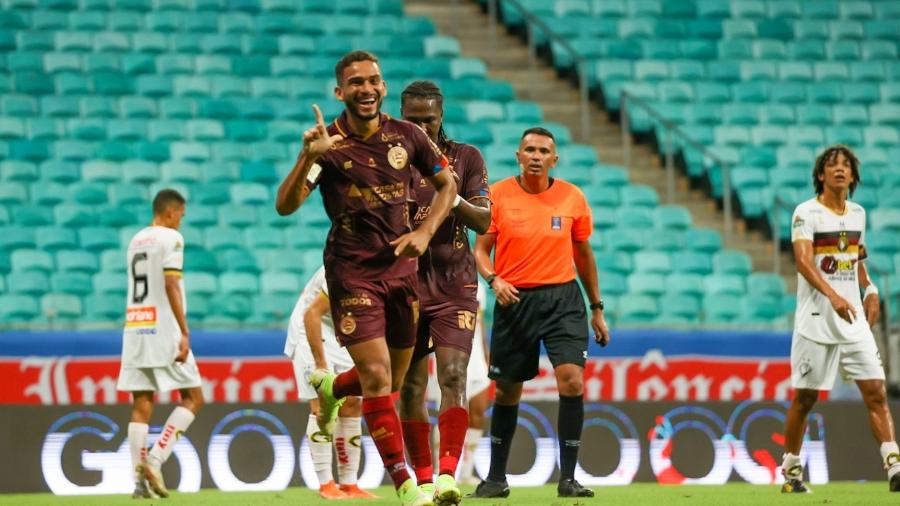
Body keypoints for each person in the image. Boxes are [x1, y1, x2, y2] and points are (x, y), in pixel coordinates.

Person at [274, 50, 457, 506]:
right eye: (356, 82)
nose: (367, 89)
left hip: (401, 270)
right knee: (377, 379)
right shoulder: (328, 145)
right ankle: (407, 488)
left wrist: (425, 231)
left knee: (391, 382)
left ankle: (334, 388)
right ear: (340, 92)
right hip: (352, 272)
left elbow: (447, 185)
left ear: (384, 86)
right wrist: (305, 156)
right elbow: (286, 204)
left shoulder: (408, 135)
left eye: (373, 80)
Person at [470, 127, 610, 499]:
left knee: (572, 382)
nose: (535, 155)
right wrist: (493, 279)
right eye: (529, 149)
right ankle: (496, 479)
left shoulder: (572, 197)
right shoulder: (496, 196)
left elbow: (584, 254)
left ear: (554, 159)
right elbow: (480, 251)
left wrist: (596, 308)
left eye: (543, 150)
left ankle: (568, 479)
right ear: (518, 156)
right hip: (514, 300)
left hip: (564, 300)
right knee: (507, 392)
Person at [781, 145, 900, 494]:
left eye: (846, 166)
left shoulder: (857, 214)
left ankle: (893, 463)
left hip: (852, 319)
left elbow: (856, 257)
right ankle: (790, 471)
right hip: (816, 319)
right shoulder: (806, 213)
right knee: (805, 399)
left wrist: (870, 288)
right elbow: (803, 262)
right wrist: (832, 295)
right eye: (832, 166)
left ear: (852, 176)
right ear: (820, 175)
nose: (839, 170)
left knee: (876, 391)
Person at [395, 80, 491, 505]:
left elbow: (484, 222)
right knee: (412, 387)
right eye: (411, 121)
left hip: (455, 284)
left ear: (441, 117)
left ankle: (448, 476)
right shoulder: (387, 161)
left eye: (428, 120)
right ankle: (423, 478)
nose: (420, 128)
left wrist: (451, 196)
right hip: (404, 286)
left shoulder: (465, 158)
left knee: (453, 376)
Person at [116, 189, 204, 499]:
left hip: (136, 327)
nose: (181, 221)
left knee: (142, 403)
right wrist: (184, 331)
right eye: (181, 215)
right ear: (170, 212)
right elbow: (170, 283)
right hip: (163, 329)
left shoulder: (137, 239)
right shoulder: (171, 239)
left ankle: (139, 484)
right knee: (194, 397)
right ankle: (155, 459)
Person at [284, 265, 378, 500]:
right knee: (322, 405)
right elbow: (311, 314)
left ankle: (349, 484)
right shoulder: (347, 265)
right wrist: (320, 364)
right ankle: (326, 483)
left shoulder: (386, 267)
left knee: (353, 402)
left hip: (341, 332)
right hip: (310, 331)